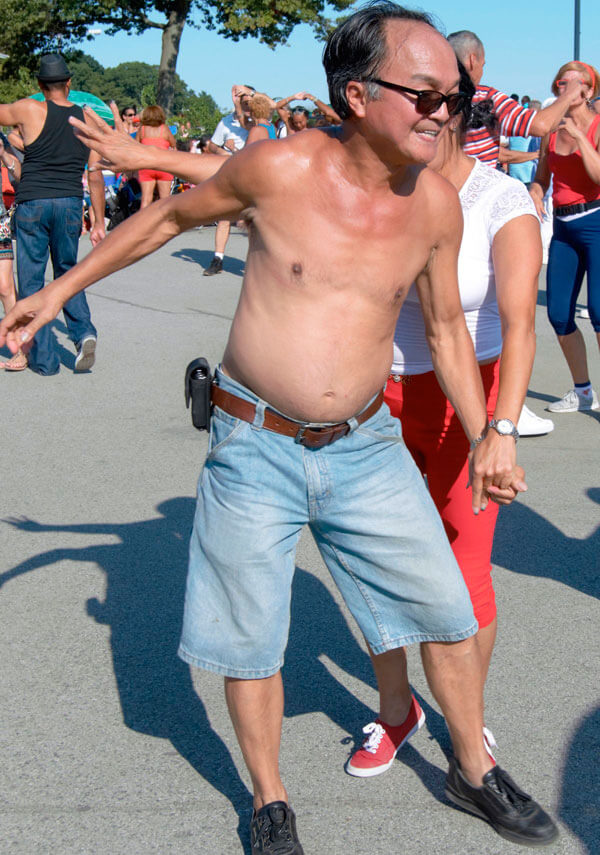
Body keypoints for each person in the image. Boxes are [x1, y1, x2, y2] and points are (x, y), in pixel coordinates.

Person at [1, 6, 559, 851]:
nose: (445, 113)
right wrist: (54, 291)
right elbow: (163, 220)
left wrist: (490, 434)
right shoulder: (278, 168)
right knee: (250, 637)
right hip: (252, 441)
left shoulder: (436, 206)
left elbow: (446, 331)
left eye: (456, 97)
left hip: (368, 445)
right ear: (359, 94)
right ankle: (270, 798)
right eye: (427, 94)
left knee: (446, 611)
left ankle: (471, 770)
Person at [345, 59, 546, 780]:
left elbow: (519, 326)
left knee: (462, 573)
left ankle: (469, 718)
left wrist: (503, 427)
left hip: (468, 394)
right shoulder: (386, 182)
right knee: (374, 562)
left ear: (455, 113)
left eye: (432, 104)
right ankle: (397, 709)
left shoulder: (502, 200)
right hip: (374, 395)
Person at [0, 53, 104, 376]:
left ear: (40, 86)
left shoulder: (29, 109)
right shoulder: (87, 118)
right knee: (68, 272)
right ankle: (83, 331)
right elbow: (97, 174)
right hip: (71, 201)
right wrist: (99, 220)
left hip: (34, 201)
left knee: (31, 281)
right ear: (69, 84)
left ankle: (45, 361)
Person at [529, 61, 600, 413]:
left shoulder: (599, 125)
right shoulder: (550, 130)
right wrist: (535, 192)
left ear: (588, 91)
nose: (563, 89)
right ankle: (583, 391)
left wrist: (581, 136)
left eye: (571, 83)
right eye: (559, 82)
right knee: (558, 314)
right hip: (563, 228)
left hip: (596, 220)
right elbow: (541, 177)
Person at [448, 30, 585, 167]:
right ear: (473, 60)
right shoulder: (485, 98)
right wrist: (569, 93)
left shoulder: (439, 97)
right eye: (483, 65)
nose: (482, 72)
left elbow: (490, 151)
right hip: (473, 184)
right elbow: (540, 125)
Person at [203, 85, 254, 276]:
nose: (242, 100)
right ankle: (217, 259)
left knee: (251, 221)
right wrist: (223, 151)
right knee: (224, 217)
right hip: (230, 175)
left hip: (251, 176)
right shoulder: (225, 122)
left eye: (246, 97)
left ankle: (255, 263)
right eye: (240, 98)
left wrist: (235, 151)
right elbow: (213, 145)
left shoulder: (256, 122)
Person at [0, 136, 23, 370]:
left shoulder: (3, 141)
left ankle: (18, 349)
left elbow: (20, 176)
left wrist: (4, 155)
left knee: (6, 287)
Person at [136, 105, 176, 209]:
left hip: (147, 166)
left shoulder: (142, 130)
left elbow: (135, 147)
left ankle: (143, 224)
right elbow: (173, 145)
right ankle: (165, 224)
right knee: (165, 200)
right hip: (163, 166)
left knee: (146, 200)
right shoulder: (165, 129)